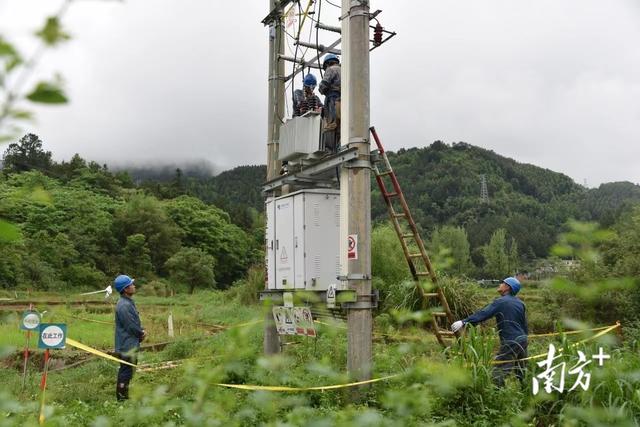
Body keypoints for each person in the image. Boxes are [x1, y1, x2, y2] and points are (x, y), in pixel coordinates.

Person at [451, 277, 528, 386]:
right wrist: (525, 338)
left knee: (498, 371)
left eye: (503, 283)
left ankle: (498, 396)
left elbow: (484, 313)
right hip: (523, 339)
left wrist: (464, 322)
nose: (500, 284)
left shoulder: (501, 302)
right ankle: (526, 393)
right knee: (521, 370)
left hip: (511, 341)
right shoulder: (520, 303)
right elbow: (524, 324)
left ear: (507, 287)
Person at [113, 274, 146, 400]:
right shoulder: (124, 305)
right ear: (126, 289)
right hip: (127, 344)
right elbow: (131, 325)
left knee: (128, 371)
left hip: (129, 342)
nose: (134, 286)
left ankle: (124, 395)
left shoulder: (127, 302)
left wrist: (140, 332)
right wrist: (141, 333)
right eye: (131, 284)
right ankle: (121, 398)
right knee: (126, 372)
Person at [318, 54, 341, 153]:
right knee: (340, 123)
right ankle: (340, 145)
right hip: (342, 99)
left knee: (331, 123)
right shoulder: (344, 69)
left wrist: (321, 89)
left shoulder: (330, 69)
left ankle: (330, 149)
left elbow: (324, 84)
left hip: (332, 98)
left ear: (327, 63)